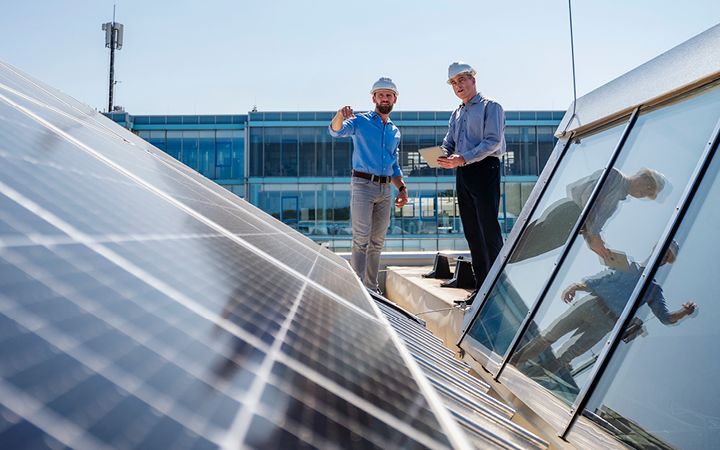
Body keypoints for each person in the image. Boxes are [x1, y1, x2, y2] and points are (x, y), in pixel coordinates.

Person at [513, 241, 697, 371]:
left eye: (668, 256)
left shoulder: (654, 291)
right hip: (590, 304)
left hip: (607, 322)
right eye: (664, 251)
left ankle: (533, 380)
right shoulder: (629, 265)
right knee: (549, 335)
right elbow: (603, 277)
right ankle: (513, 363)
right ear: (656, 248)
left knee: (565, 356)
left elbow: (666, 318)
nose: (664, 257)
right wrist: (576, 286)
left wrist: (684, 312)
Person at [329, 77, 408, 292]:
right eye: (380, 94)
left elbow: (394, 166)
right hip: (363, 186)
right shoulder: (360, 121)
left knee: (377, 241)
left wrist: (401, 188)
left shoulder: (395, 131)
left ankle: (371, 289)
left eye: (388, 95)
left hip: (385, 190)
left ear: (394, 99)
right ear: (374, 98)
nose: (384, 98)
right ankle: (357, 290)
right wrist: (339, 115)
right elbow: (336, 131)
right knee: (361, 239)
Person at [437, 62, 505, 304]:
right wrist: (442, 154)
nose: (458, 86)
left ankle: (498, 288)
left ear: (473, 80)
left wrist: (463, 157)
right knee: (472, 232)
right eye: (454, 83)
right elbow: (449, 142)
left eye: (462, 80)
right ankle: (482, 290)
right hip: (463, 172)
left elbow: (493, 142)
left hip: (484, 169)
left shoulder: (491, 107)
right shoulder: (456, 113)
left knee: (488, 229)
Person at [509, 167, 668, 264]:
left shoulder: (620, 193)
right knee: (522, 248)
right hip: (568, 216)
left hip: (571, 224)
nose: (643, 193)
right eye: (647, 187)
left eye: (648, 194)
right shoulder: (615, 177)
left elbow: (590, 218)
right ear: (642, 176)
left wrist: (593, 241)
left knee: (526, 251)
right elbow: (589, 200)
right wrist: (594, 235)